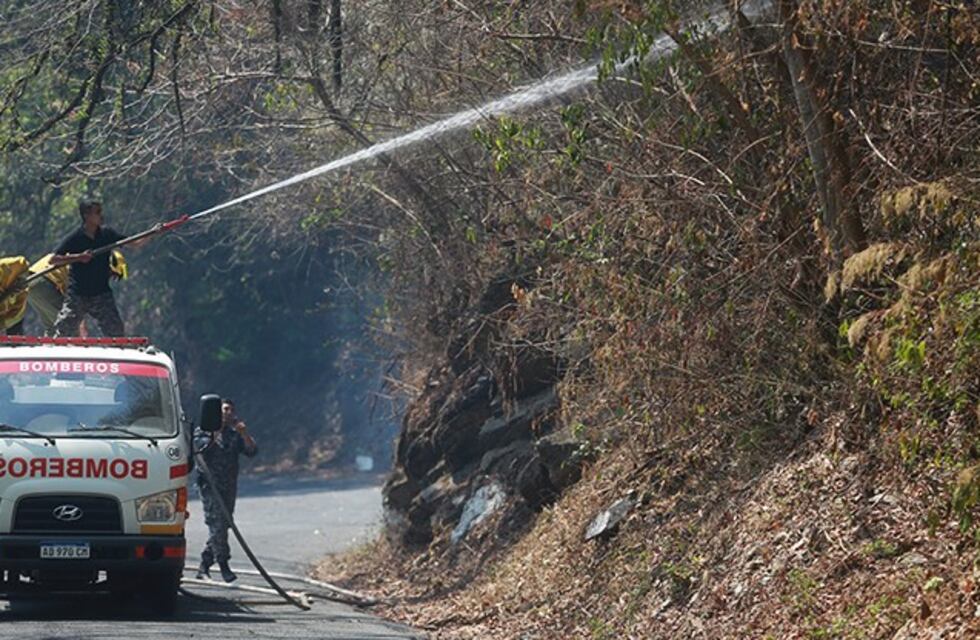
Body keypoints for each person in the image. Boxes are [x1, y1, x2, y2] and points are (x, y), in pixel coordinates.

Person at [50, 200, 159, 337]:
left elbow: (135, 244)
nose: (101, 216)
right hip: (78, 295)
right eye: (97, 212)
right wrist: (79, 257)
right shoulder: (75, 238)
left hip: (101, 294)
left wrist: (153, 232)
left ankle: (117, 349)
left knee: (116, 332)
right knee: (63, 331)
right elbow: (53, 260)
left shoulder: (107, 234)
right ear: (86, 216)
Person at [194, 398, 258, 582]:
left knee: (224, 526)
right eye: (225, 409)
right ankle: (224, 565)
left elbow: (252, 451)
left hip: (228, 486)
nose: (228, 413)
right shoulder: (202, 432)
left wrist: (244, 433)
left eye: (231, 410)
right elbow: (201, 450)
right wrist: (216, 431)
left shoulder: (234, 434)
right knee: (217, 526)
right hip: (210, 487)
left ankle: (204, 565)